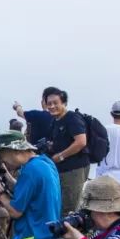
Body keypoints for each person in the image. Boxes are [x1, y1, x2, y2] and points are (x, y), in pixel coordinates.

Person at [40, 86, 90, 215]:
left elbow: (81, 141)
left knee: (69, 209)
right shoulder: (55, 121)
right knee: (60, 206)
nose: (52, 106)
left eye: (55, 103)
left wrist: (61, 156)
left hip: (74, 169)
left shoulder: (72, 118)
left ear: (64, 103)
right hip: (61, 170)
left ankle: (69, 234)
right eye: (49, 103)